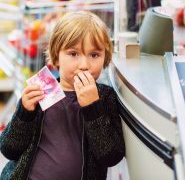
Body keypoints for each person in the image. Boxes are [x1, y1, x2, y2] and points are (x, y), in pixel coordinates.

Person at [0, 11, 125, 180]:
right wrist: (24, 113)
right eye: (73, 54)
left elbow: (111, 156)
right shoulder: (41, 92)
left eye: (94, 55)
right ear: (56, 57)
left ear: (105, 58)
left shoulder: (105, 97)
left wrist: (93, 109)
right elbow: (9, 149)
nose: (84, 65)